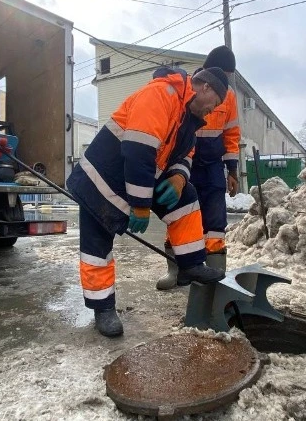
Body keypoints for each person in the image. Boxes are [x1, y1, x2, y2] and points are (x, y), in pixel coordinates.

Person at [66, 67, 230, 337]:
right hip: (101, 179)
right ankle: (103, 308)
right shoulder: (161, 95)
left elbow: (185, 154)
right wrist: (140, 206)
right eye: (216, 104)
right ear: (206, 88)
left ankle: (190, 265)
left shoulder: (188, 119)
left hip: (138, 176)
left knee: (185, 197)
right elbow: (138, 151)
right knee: (97, 246)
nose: (213, 110)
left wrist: (178, 177)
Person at [156, 46, 241, 290]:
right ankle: (176, 272)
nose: (224, 81)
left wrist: (232, 170)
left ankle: (216, 277)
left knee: (215, 223)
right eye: (222, 74)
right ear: (207, 72)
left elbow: (231, 133)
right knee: (178, 216)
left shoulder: (230, 96)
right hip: (184, 161)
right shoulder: (188, 89)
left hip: (212, 166)